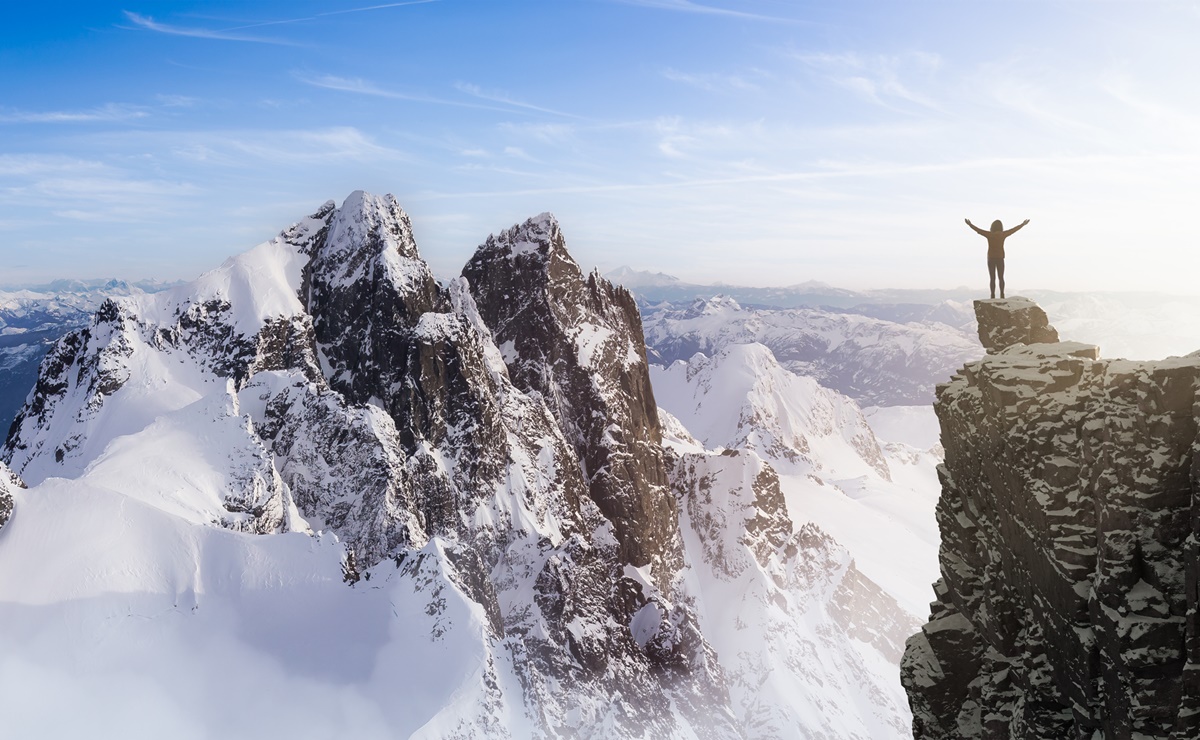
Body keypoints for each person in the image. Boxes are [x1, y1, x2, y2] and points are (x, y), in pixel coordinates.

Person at [965, 217, 1029, 299]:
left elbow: (978, 230)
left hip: (991, 258)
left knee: (992, 278)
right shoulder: (1003, 234)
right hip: (1000, 258)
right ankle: (1002, 294)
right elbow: (1013, 230)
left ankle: (992, 295)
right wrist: (1022, 224)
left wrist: (970, 224)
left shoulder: (989, 234)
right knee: (1001, 277)